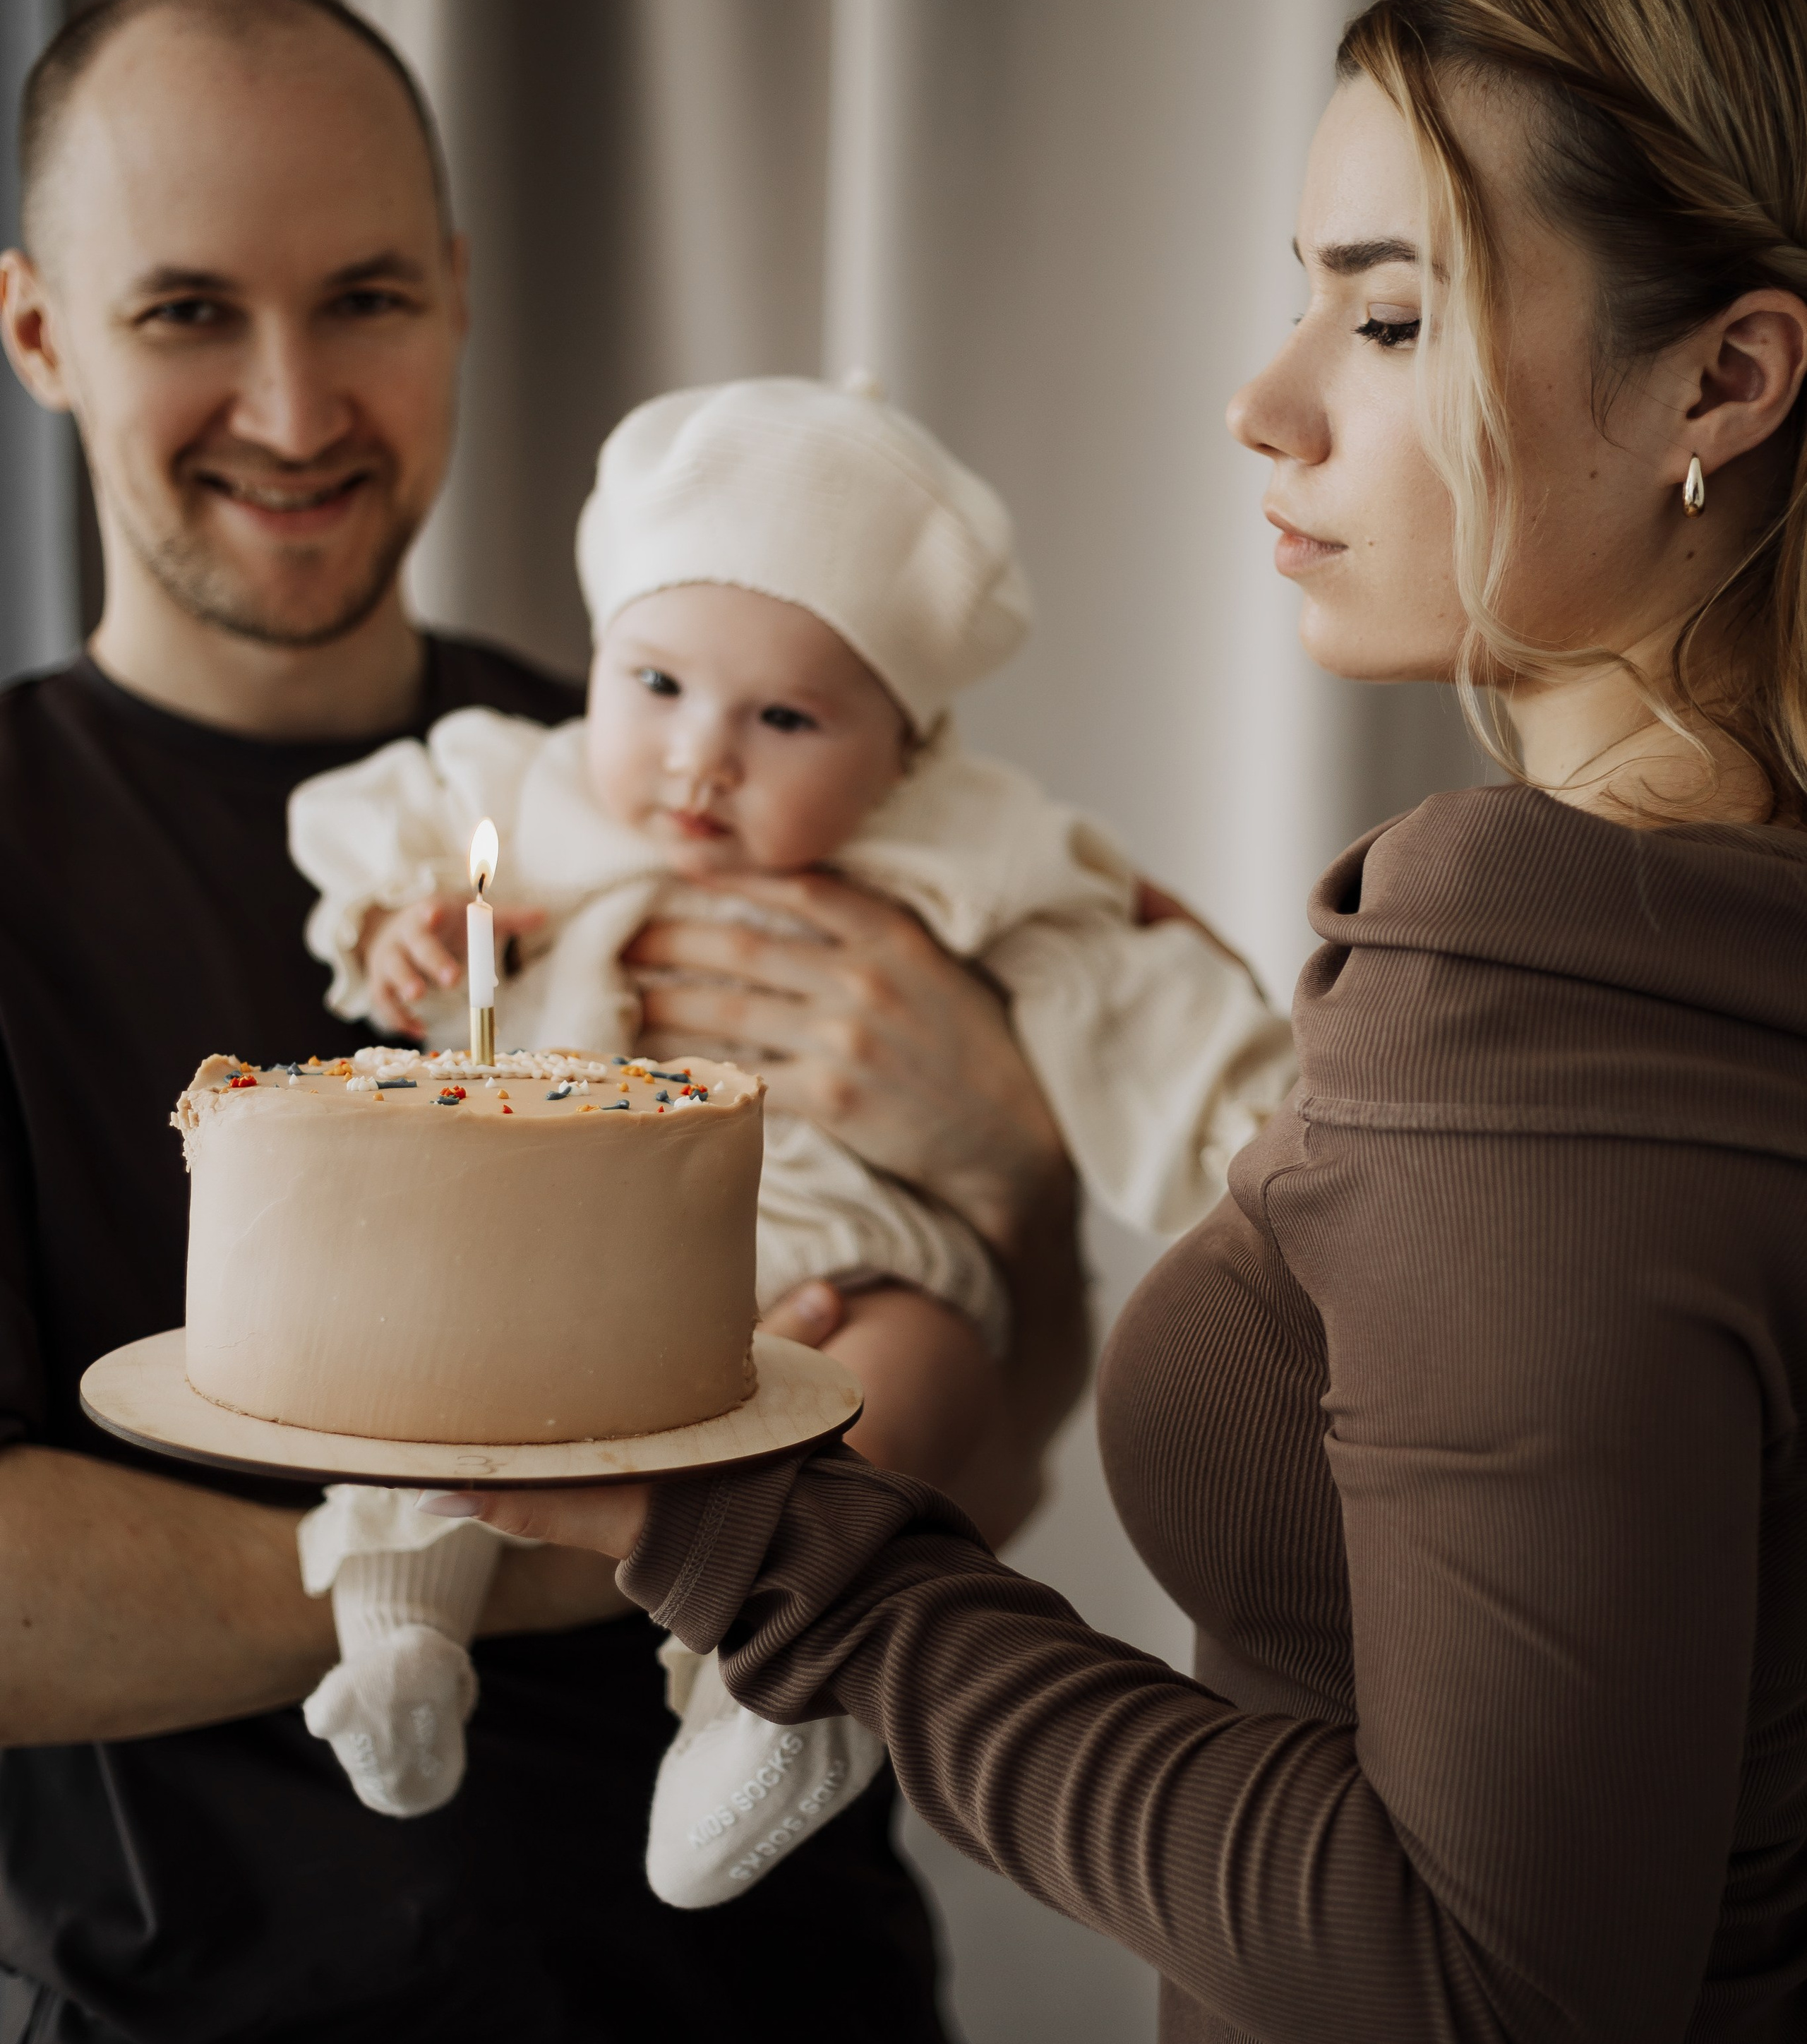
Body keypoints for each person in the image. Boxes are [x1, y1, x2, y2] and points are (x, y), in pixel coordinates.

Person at [450, 0, 1807, 2044]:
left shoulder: (1543, 976)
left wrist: (777, 1557)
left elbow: (1501, 2017)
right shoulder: (1726, 949)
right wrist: (1008, 1142)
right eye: (1305, 290)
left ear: (1725, 382)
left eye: (1390, 313)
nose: (1266, 398)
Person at [0, 0, 1089, 2044]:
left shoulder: (698, 767)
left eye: (367, 296)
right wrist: (600, 1547)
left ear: (465, 297)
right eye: (191, 308)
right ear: (39, 332)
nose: (294, 405)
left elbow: (961, 1475)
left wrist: (1006, 1166)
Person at [283, 371, 1292, 1884]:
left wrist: (1272, 1143)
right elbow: (383, 828)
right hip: (552, 1249)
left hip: (833, 1245)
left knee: (901, 1384)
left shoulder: (957, 841)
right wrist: (398, 922)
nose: (700, 758)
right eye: (658, 685)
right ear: (599, 656)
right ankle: (400, 1642)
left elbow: (1134, 997)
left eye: (784, 717)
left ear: (904, 745)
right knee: (412, 1371)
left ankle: (779, 1698)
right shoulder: (528, 787)